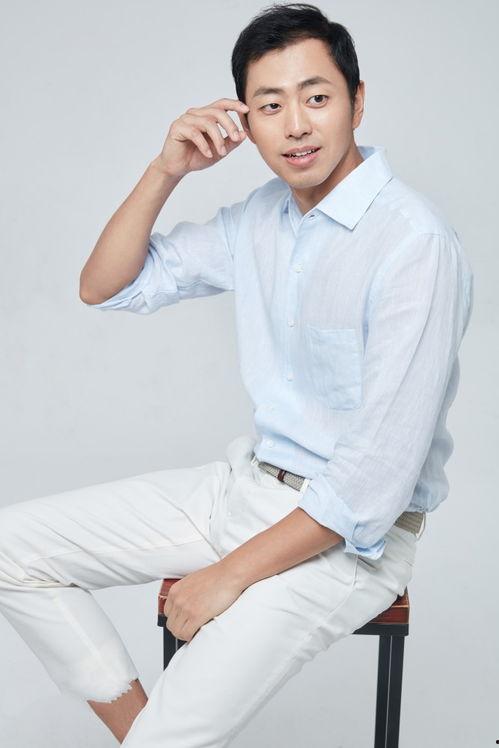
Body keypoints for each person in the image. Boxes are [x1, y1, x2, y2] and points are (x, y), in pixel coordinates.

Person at [0, 3, 474, 746]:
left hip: (348, 541)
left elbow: (368, 488)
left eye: (316, 97)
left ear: (357, 101)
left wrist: (227, 576)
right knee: (10, 547)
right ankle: (146, 736)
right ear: (244, 122)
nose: (296, 126)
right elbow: (105, 286)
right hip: (248, 485)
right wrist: (166, 170)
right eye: (270, 105)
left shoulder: (413, 244)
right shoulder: (262, 217)